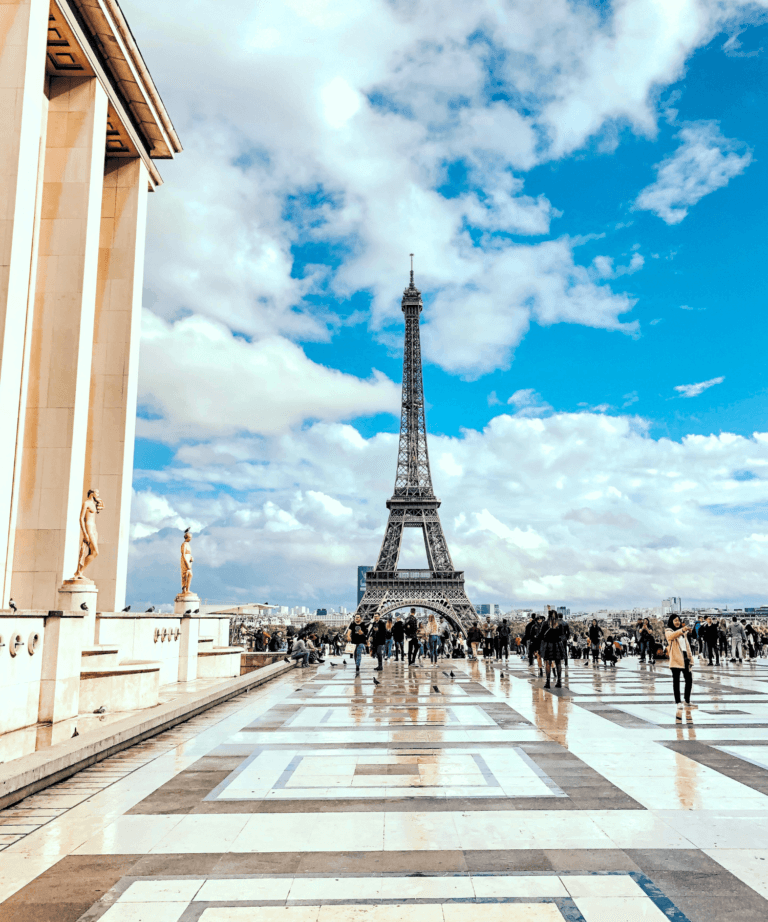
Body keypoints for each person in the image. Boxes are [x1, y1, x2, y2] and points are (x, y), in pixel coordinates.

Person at [666, 614, 696, 712]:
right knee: (676, 681)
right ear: (671, 622)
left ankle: (687, 700)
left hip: (684, 657)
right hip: (675, 658)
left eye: (678, 620)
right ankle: (678, 701)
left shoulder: (683, 633)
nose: (677, 622)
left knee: (689, 679)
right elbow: (671, 636)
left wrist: (690, 658)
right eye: (675, 620)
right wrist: (682, 630)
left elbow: (687, 646)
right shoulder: (668, 631)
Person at [539, 610, 566, 688]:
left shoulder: (545, 624)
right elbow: (563, 635)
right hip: (557, 644)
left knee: (548, 662)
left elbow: (541, 635)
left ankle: (548, 682)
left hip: (548, 644)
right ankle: (559, 681)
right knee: (558, 663)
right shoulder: (559, 624)